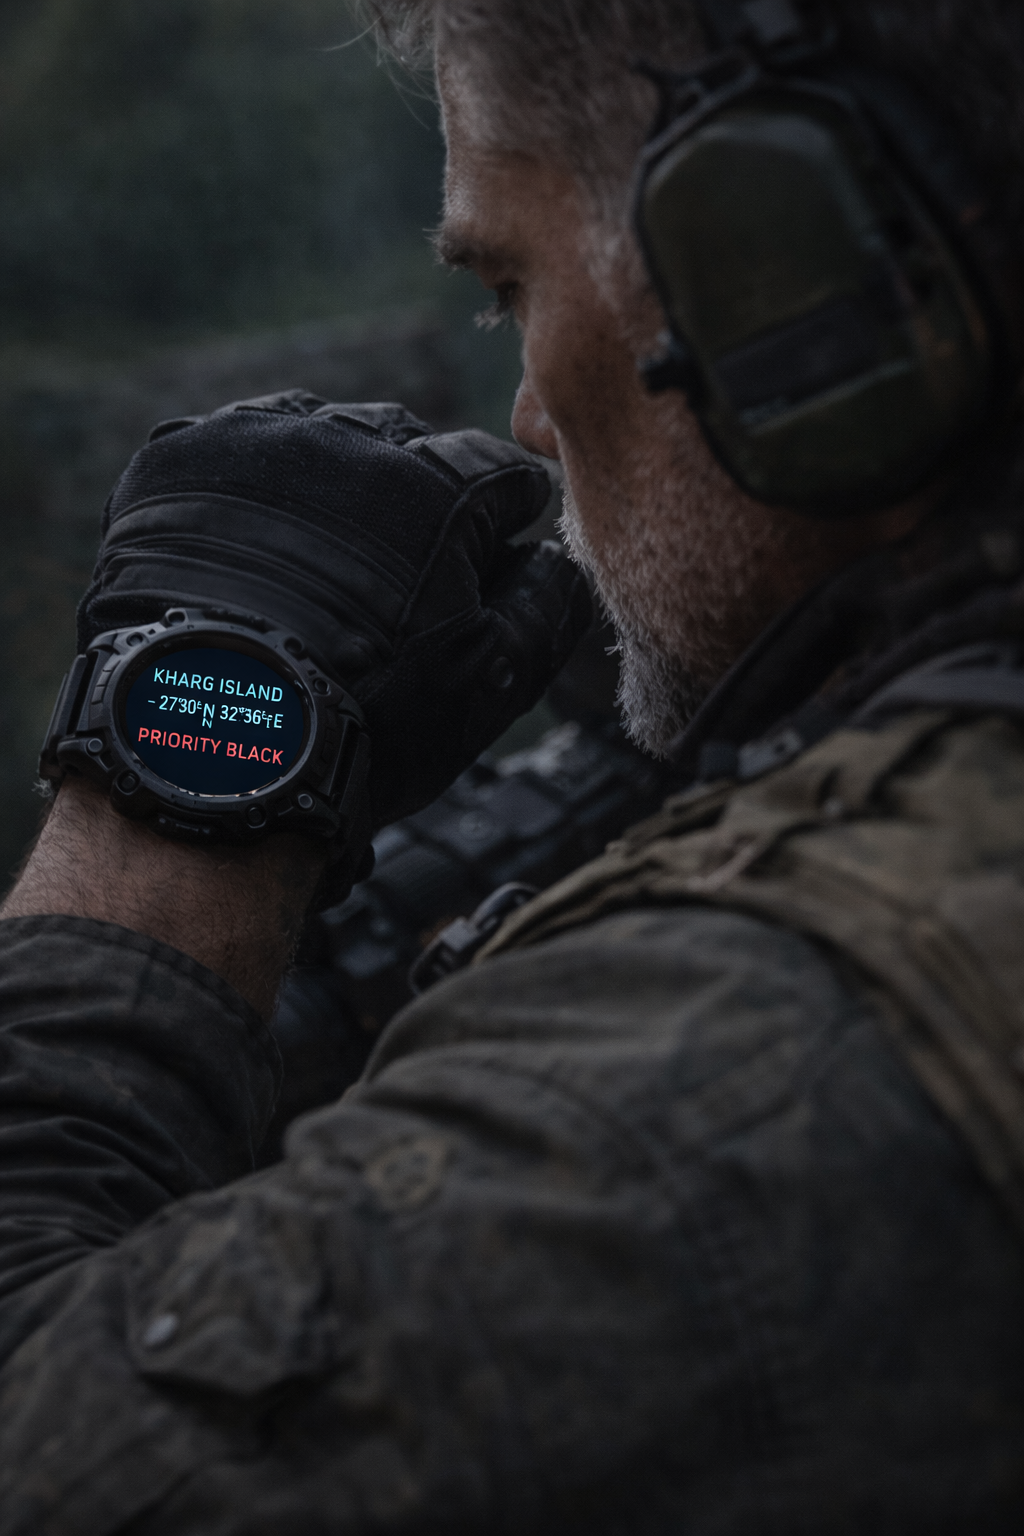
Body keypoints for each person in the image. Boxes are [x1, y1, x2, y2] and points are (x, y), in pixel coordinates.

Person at [2, 1, 1024, 1530]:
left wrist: (182, 787)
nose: (530, 421)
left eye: (507, 288)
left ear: (798, 284)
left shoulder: (722, 1079)